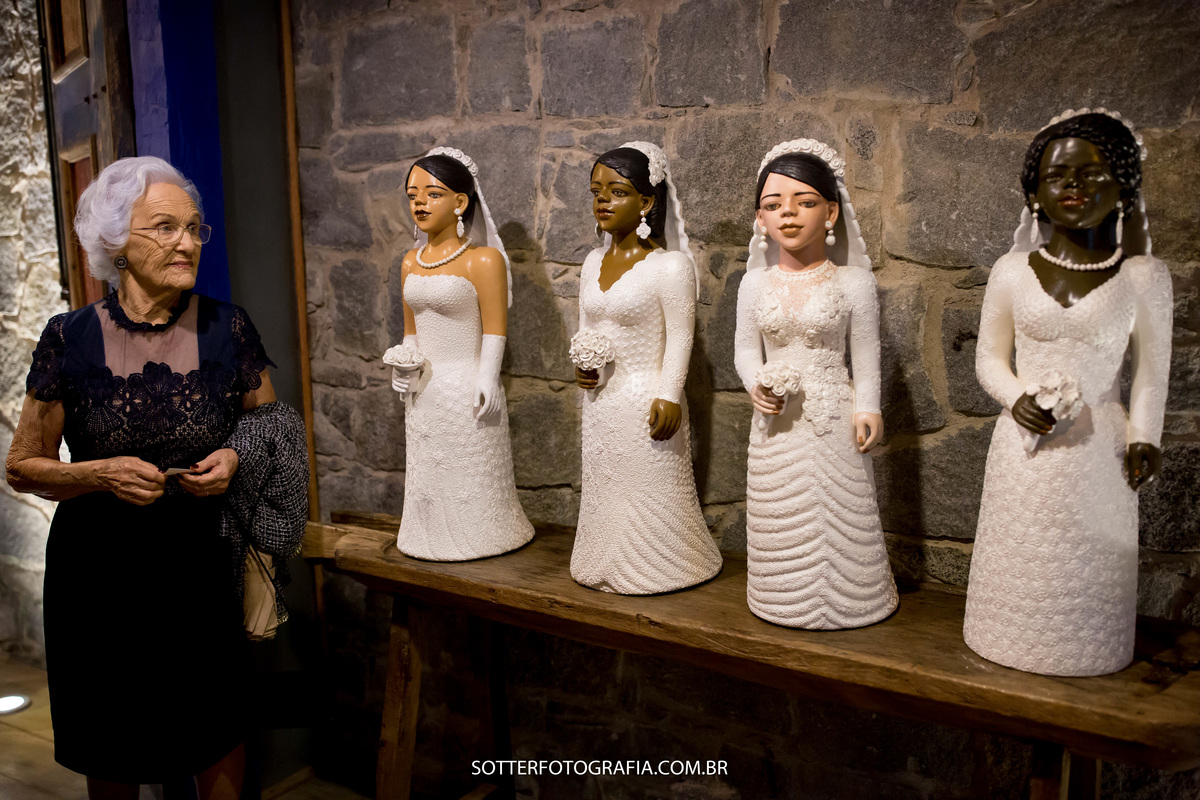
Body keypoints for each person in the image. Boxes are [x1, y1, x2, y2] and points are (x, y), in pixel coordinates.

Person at [5, 156, 276, 798]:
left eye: (193, 228)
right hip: (99, 581)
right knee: (115, 746)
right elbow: (21, 465)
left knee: (215, 733)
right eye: (164, 227)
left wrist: (236, 457)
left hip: (203, 571)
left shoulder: (227, 327)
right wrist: (99, 474)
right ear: (116, 243)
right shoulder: (67, 338)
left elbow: (273, 431)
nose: (186, 242)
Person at [964, 109, 1173, 676]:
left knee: (1084, 560)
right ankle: (1001, 631)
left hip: (1099, 451)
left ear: (1124, 187)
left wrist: (1143, 437)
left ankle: (1088, 646)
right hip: (1024, 446)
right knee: (1023, 550)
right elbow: (988, 358)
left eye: (1092, 174)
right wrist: (1015, 398)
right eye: (1058, 177)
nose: (1074, 187)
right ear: (1035, 193)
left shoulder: (1143, 279)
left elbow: (1152, 374)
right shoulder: (1011, 271)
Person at [732, 139, 898, 629]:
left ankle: (853, 596)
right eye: (773, 205)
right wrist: (754, 384)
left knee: (838, 508)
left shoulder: (853, 283)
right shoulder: (753, 284)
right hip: (775, 419)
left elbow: (866, 357)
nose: (788, 215)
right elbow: (745, 349)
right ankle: (778, 595)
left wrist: (869, 407)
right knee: (778, 510)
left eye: (804, 203)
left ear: (830, 212)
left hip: (831, 417)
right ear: (760, 219)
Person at [569, 142, 722, 595]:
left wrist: (670, 394)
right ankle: (601, 560)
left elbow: (681, 337)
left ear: (647, 202)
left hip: (647, 400)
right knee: (605, 487)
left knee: (648, 489)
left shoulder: (670, 267)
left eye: (616, 191)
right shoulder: (591, 262)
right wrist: (584, 365)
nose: (602, 200)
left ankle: (664, 564)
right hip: (600, 402)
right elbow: (585, 326)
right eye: (597, 191)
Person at [386, 147, 533, 560]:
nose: (419, 203)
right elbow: (411, 331)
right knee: (429, 470)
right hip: (424, 393)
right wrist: (403, 366)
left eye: (432, 194)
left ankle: (486, 533)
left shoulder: (482, 261)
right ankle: (426, 535)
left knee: (471, 474)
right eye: (413, 194)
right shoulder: (408, 262)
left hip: (468, 385)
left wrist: (487, 377)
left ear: (460, 202)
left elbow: (494, 331)